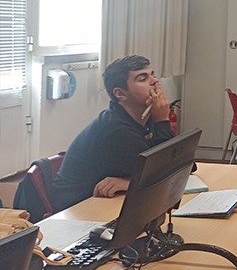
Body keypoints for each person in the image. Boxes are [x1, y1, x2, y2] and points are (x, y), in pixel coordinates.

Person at [50, 55, 173, 212]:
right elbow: (167, 174)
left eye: (153, 75)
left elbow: (178, 166)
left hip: (105, 201)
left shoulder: (145, 117)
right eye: (143, 78)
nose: (155, 81)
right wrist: (162, 120)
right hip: (79, 209)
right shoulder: (115, 130)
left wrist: (130, 182)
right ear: (120, 94)